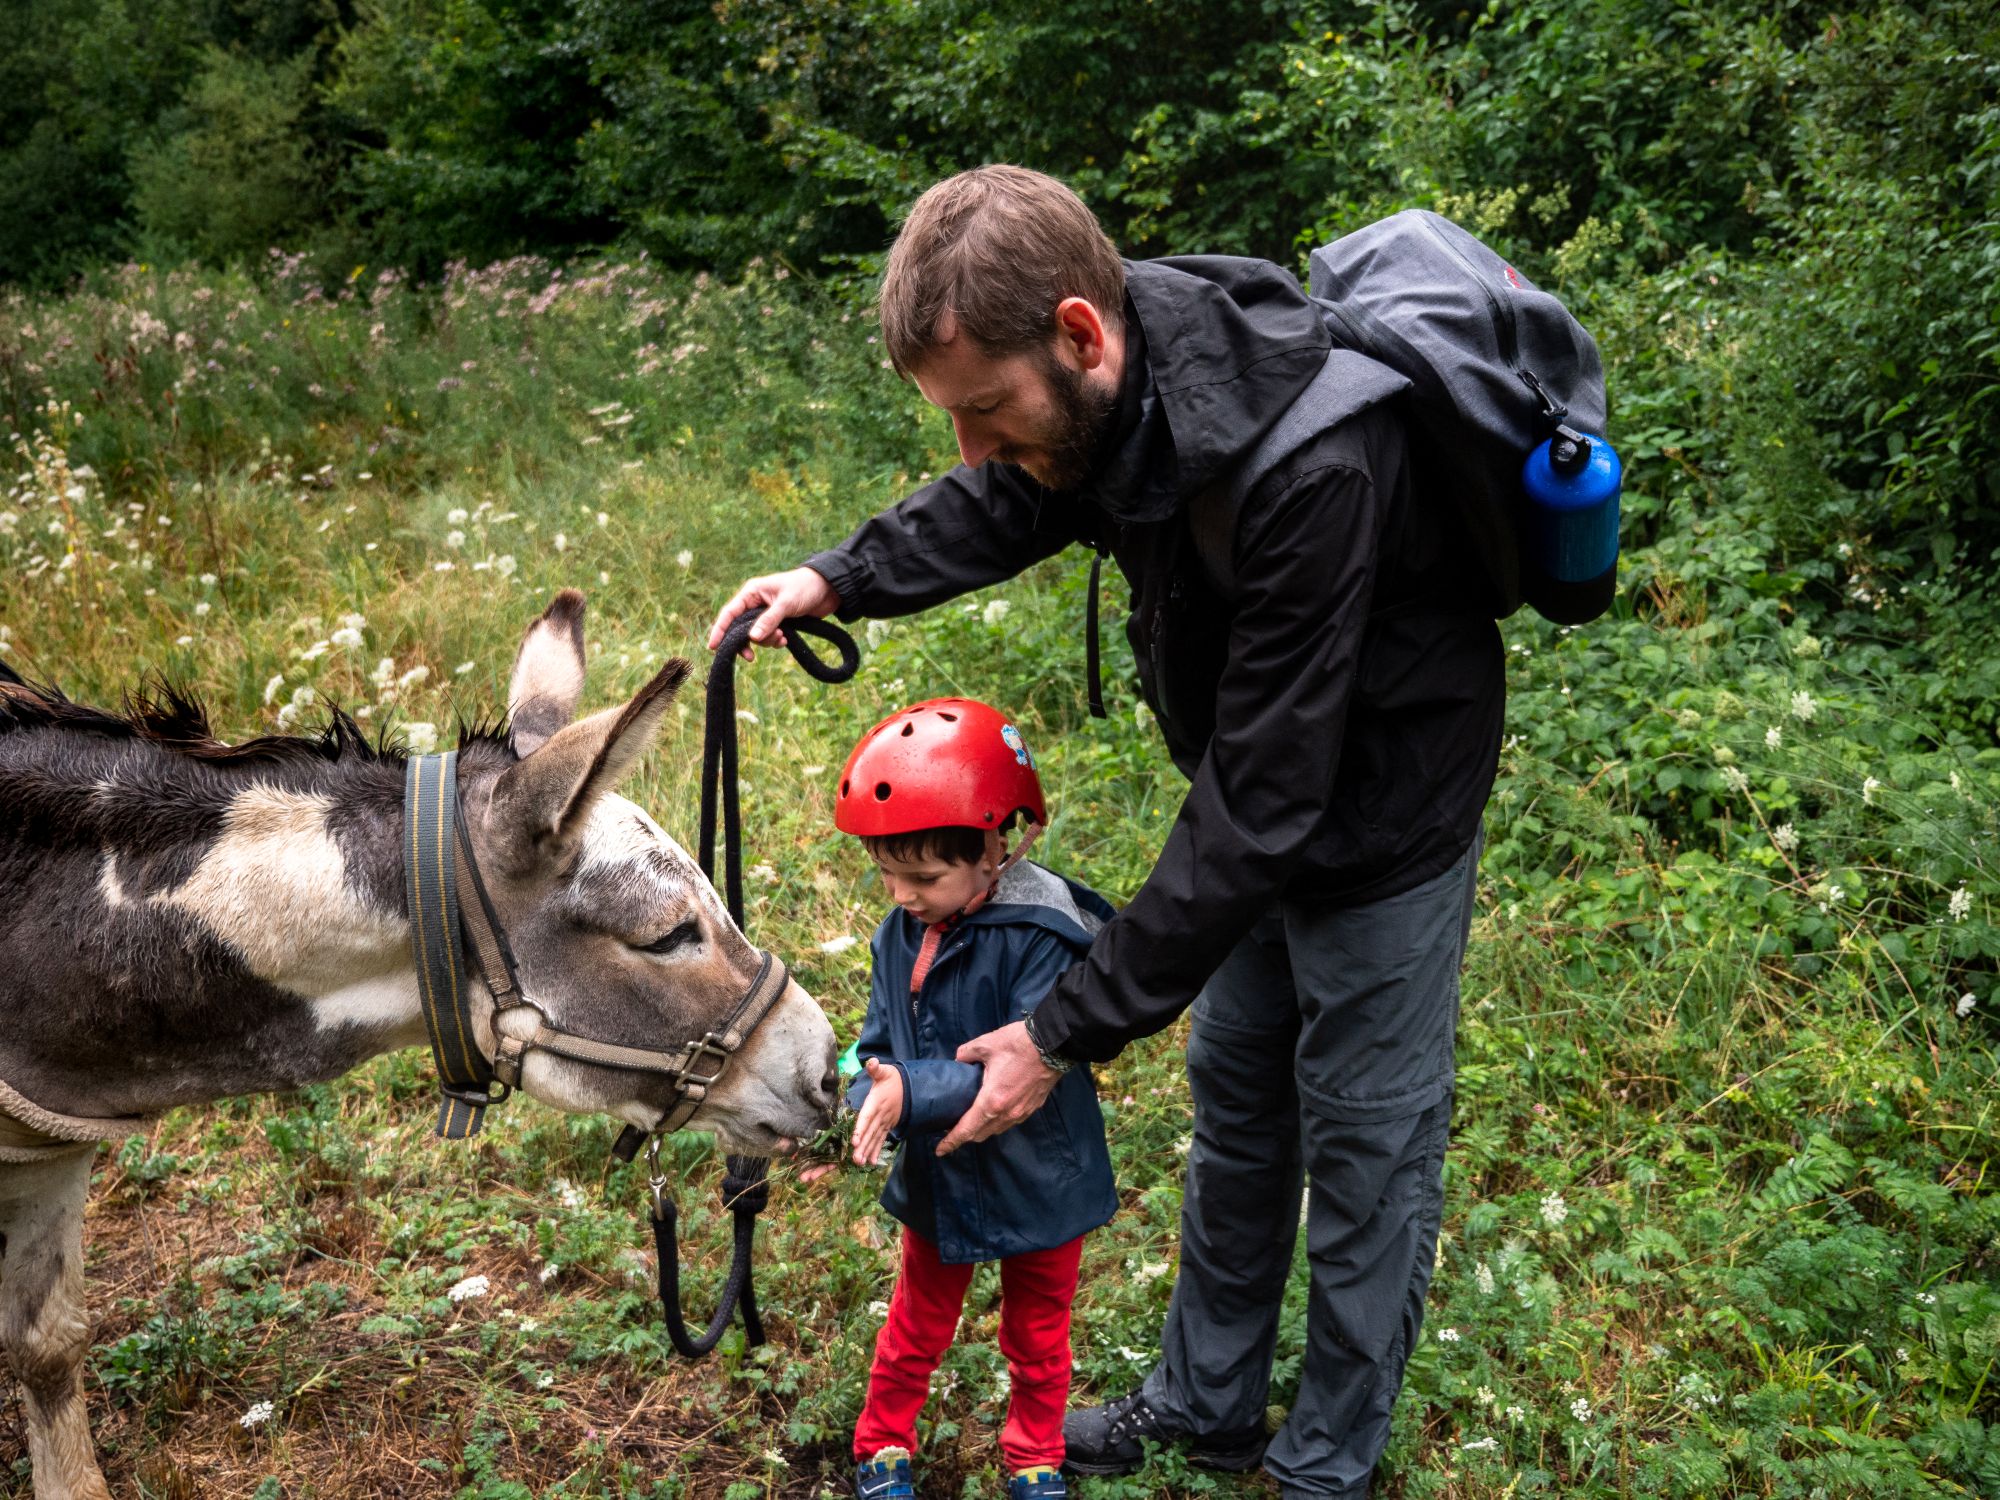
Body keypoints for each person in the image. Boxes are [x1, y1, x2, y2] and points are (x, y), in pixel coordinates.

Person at [709, 165, 1502, 1499]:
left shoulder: (1314, 462)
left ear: (1081, 332)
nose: (968, 444)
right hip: (1257, 807)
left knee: (1364, 1144)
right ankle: (1207, 1402)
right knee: (1243, 1105)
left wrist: (1061, 1028)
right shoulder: (1115, 389)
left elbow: (1266, 800)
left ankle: (1325, 1463)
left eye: (984, 410)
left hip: (1383, 821)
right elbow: (1010, 497)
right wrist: (839, 573)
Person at [837, 697, 1118, 1500]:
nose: (901, 895)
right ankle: (881, 1443)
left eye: (922, 877)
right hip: (942, 1172)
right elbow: (880, 1038)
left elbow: (1009, 1071)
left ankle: (1035, 1452)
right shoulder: (899, 932)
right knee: (915, 1324)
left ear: (998, 849)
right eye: (887, 874)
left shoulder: (1041, 936)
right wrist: (868, 1090)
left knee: (1038, 1333)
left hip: (1039, 1171)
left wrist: (905, 1091)